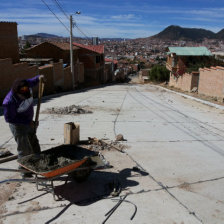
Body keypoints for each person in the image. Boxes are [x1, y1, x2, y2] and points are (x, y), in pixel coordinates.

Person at [2, 75, 45, 177]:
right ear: (17, 93)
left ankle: (38, 163)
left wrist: (40, 78)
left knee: (34, 142)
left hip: (28, 121)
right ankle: (24, 171)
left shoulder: (25, 85)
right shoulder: (9, 102)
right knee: (24, 149)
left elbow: (34, 80)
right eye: (22, 97)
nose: (25, 98)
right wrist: (26, 122)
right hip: (18, 125)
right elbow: (9, 119)